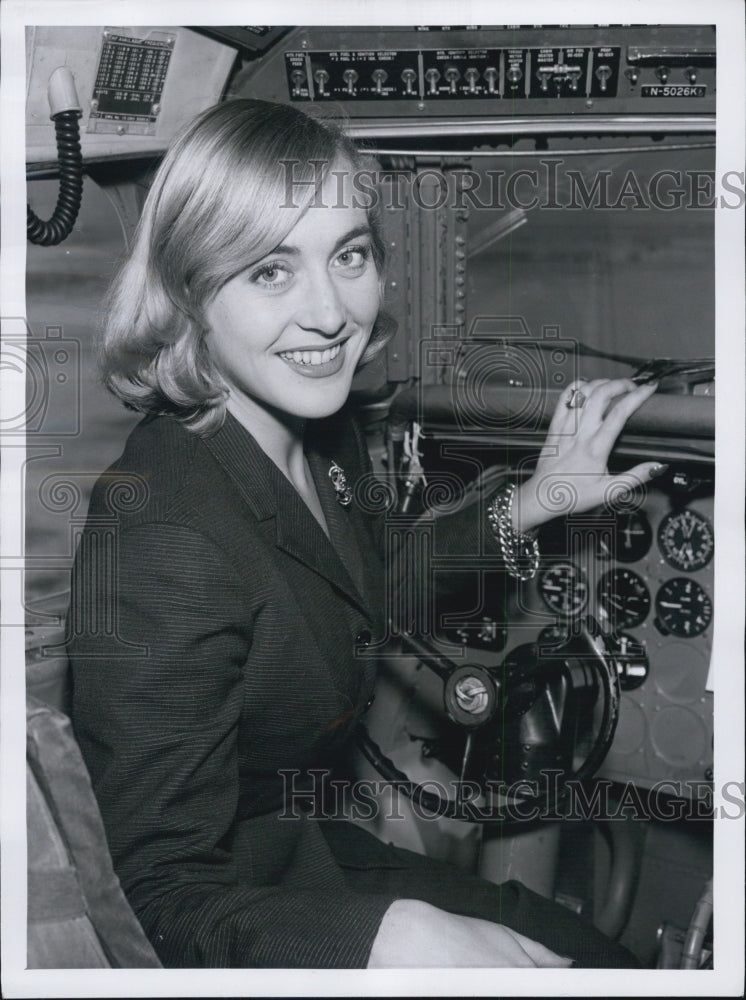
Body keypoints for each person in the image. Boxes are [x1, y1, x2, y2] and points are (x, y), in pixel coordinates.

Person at [67, 99, 661, 969]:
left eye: (348, 256)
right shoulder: (160, 537)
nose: (330, 313)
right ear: (189, 291)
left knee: (589, 955)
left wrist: (533, 502)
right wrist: (379, 943)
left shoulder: (319, 432)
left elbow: (367, 577)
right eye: (271, 271)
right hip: (243, 899)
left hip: (304, 846)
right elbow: (155, 891)